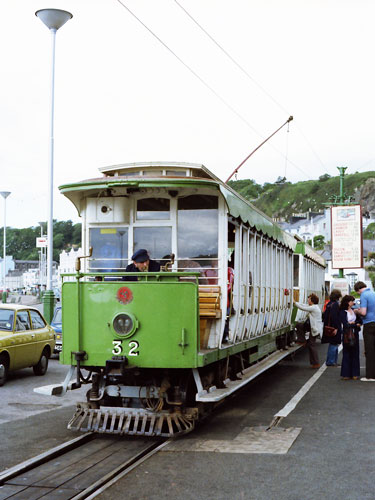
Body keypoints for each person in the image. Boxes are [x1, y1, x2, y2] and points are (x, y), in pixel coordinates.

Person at [354, 281, 375, 381]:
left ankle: (370, 376)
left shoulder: (364, 295)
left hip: (369, 324)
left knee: (370, 351)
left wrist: (356, 311)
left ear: (358, 290)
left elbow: (363, 312)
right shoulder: (373, 293)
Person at [294, 293, 323, 368]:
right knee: (299, 326)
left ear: (312, 301)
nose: (308, 300)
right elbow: (303, 305)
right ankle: (314, 363)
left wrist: (294, 303)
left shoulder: (314, 308)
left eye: (309, 299)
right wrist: (295, 302)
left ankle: (316, 363)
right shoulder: (314, 306)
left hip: (315, 329)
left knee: (312, 345)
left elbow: (302, 308)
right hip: (313, 327)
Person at [339, 295, 361, 380]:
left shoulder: (354, 310)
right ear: (348, 302)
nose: (353, 302)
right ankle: (346, 374)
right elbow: (345, 324)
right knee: (347, 353)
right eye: (352, 301)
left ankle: (355, 374)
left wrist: (353, 324)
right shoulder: (342, 312)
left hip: (355, 334)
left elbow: (360, 321)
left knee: (355, 353)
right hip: (347, 334)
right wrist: (355, 324)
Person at [322, 289, 342, 366]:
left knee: (333, 344)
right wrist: (336, 328)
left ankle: (332, 361)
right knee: (334, 344)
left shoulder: (329, 304)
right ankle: (331, 361)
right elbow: (335, 317)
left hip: (328, 326)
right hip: (334, 327)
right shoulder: (335, 305)